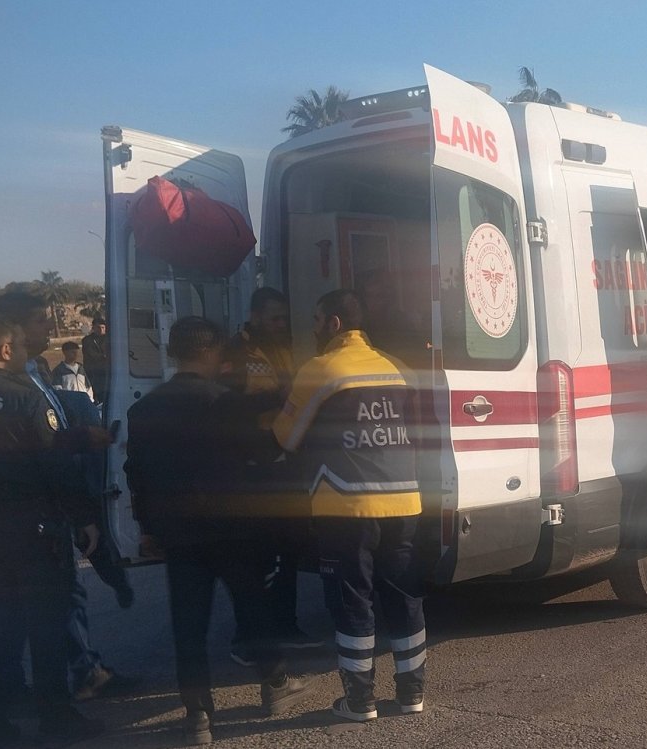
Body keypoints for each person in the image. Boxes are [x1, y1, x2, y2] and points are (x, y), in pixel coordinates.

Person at [125, 316, 318, 744]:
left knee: (188, 625)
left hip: (180, 534)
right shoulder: (228, 404)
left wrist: (148, 528)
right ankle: (276, 685)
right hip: (235, 530)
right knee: (253, 608)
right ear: (212, 352)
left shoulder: (144, 409)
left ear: (173, 352)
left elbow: (136, 474)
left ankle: (197, 716)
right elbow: (264, 456)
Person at [272, 289, 426, 721]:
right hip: (404, 500)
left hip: (347, 504)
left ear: (334, 324)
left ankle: (360, 701)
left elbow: (286, 436)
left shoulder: (320, 370)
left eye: (317, 320)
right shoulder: (395, 368)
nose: (313, 329)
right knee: (405, 598)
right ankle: (412, 694)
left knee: (352, 599)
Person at [0, 291, 135, 703]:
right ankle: (53, 701)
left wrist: (80, 436)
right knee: (42, 608)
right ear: (12, 335)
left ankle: (62, 677)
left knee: (39, 602)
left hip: (16, 515)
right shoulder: (20, 385)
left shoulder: (34, 371)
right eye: (39, 321)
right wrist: (83, 514)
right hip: (36, 515)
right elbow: (43, 451)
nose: (47, 329)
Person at [0, 316, 105, 744]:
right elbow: (56, 465)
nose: (26, 352)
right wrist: (85, 518)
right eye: (21, 344)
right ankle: (56, 717)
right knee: (46, 625)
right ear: (6, 350)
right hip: (34, 530)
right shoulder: (25, 397)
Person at [221, 288, 322, 664]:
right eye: (275, 318)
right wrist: (275, 397)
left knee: (289, 548)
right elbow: (226, 407)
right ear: (256, 316)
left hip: (287, 464)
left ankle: (286, 626)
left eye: (284, 318)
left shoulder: (286, 349)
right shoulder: (236, 352)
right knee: (256, 556)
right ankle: (249, 636)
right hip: (252, 468)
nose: (281, 324)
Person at [81, 317, 108, 402]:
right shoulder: (87, 340)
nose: (101, 330)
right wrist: (104, 356)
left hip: (106, 372)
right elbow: (91, 354)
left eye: (103, 327)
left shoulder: (110, 339)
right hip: (93, 372)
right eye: (98, 327)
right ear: (93, 328)